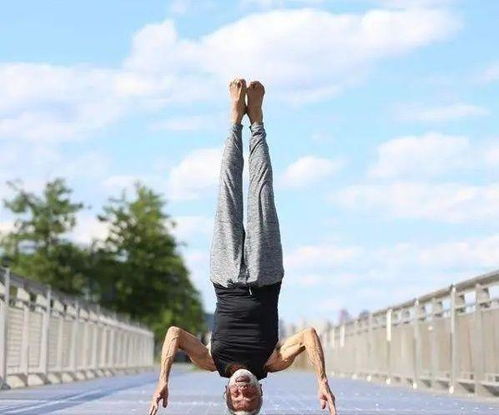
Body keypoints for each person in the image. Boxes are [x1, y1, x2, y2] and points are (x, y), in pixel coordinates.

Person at [148, 79, 337, 415]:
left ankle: (235, 120)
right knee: (261, 190)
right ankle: (258, 121)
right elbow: (307, 335)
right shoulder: (273, 363)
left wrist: (163, 379)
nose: (243, 393)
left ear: (227, 394)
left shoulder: (211, 362)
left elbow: (175, 333)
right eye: (251, 399)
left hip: (225, 274)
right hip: (266, 275)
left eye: (237, 400)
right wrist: (321, 380)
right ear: (260, 395)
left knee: (228, 191)